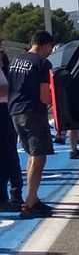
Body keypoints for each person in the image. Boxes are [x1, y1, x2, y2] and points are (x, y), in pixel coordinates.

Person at [6, 30, 57, 216]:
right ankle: (29, 202)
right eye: (50, 48)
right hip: (33, 112)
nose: (50, 51)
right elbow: (45, 97)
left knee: (31, 155)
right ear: (47, 45)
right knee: (39, 157)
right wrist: (58, 101)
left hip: (15, 111)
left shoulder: (15, 60)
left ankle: (32, 197)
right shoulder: (43, 63)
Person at [0, 50, 23, 211]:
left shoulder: (6, 68)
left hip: (6, 111)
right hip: (3, 111)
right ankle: (7, 196)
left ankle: (14, 194)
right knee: (8, 155)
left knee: (9, 155)